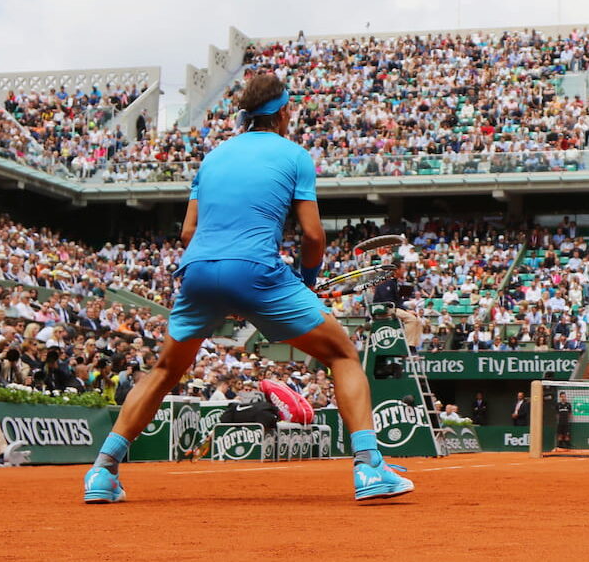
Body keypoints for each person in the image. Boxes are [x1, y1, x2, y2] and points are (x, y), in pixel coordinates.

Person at [81, 74, 412, 504]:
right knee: (342, 354)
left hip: (199, 270)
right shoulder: (295, 155)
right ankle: (370, 469)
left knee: (164, 371)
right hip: (256, 271)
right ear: (284, 111)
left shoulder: (213, 158)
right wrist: (306, 281)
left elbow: (187, 233)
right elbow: (313, 236)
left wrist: (225, 288)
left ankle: (102, 473)